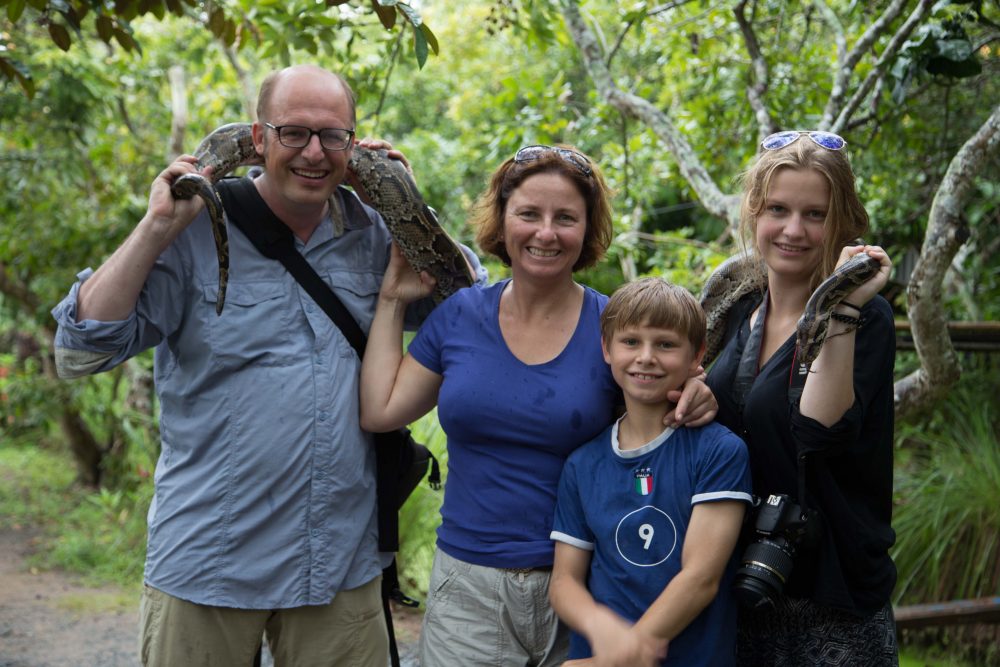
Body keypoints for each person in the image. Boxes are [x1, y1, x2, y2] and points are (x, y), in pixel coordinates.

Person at [50, 64, 483, 667]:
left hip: (339, 565)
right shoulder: (194, 227)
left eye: (333, 136)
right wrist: (155, 228)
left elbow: (473, 317)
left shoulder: (376, 236)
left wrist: (406, 200)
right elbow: (80, 349)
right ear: (258, 138)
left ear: (354, 146)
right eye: (294, 133)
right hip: (208, 561)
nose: (314, 152)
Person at [359, 145, 719, 666]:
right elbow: (380, 410)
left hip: (589, 584)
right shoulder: (460, 316)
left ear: (587, 230)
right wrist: (392, 299)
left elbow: (664, 420)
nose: (545, 233)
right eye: (529, 214)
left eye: (565, 218)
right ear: (502, 222)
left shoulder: (614, 330)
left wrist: (696, 393)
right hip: (468, 587)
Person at [704, 130, 898, 665]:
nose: (794, 229)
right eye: (778, 209)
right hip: (740, 580)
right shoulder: (737, 310)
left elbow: (817, 431)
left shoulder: (864, 318)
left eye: (815, 214)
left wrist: (842, 305)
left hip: (829, 597)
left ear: (843, 221)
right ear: (753, 212)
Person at [548, 277, 752, 667]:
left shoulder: (719, 452)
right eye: (630, 342)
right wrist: (598, 625)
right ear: (607, 349)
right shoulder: (582, 464)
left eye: (665, 344)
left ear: (698, 355)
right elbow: (564, 581)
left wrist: (628, 651)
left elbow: (701, 578)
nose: (646, 357)